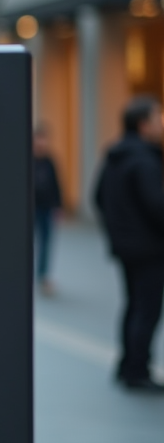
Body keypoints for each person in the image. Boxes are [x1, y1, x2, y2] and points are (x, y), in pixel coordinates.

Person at [94, 96, 164, 392]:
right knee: (147, 308)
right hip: (149, 248)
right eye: (159, 118)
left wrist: (118, 229)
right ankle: (137, 369)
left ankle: (127, 365)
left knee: (134, 304)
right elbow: (157, 206)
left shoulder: (115, 155)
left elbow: (97, 197)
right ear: (143, 124)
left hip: (125, 246)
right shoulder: (145, 160)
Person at [32, 124, 63, 296]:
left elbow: (56, 184)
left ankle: (43, 276)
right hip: (30, 208)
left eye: (45, 139)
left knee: (46, 241)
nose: (42, 142)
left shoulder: (50, 160)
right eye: (39, 138)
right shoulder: (26, 159)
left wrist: (58, 205)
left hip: (46, 207)